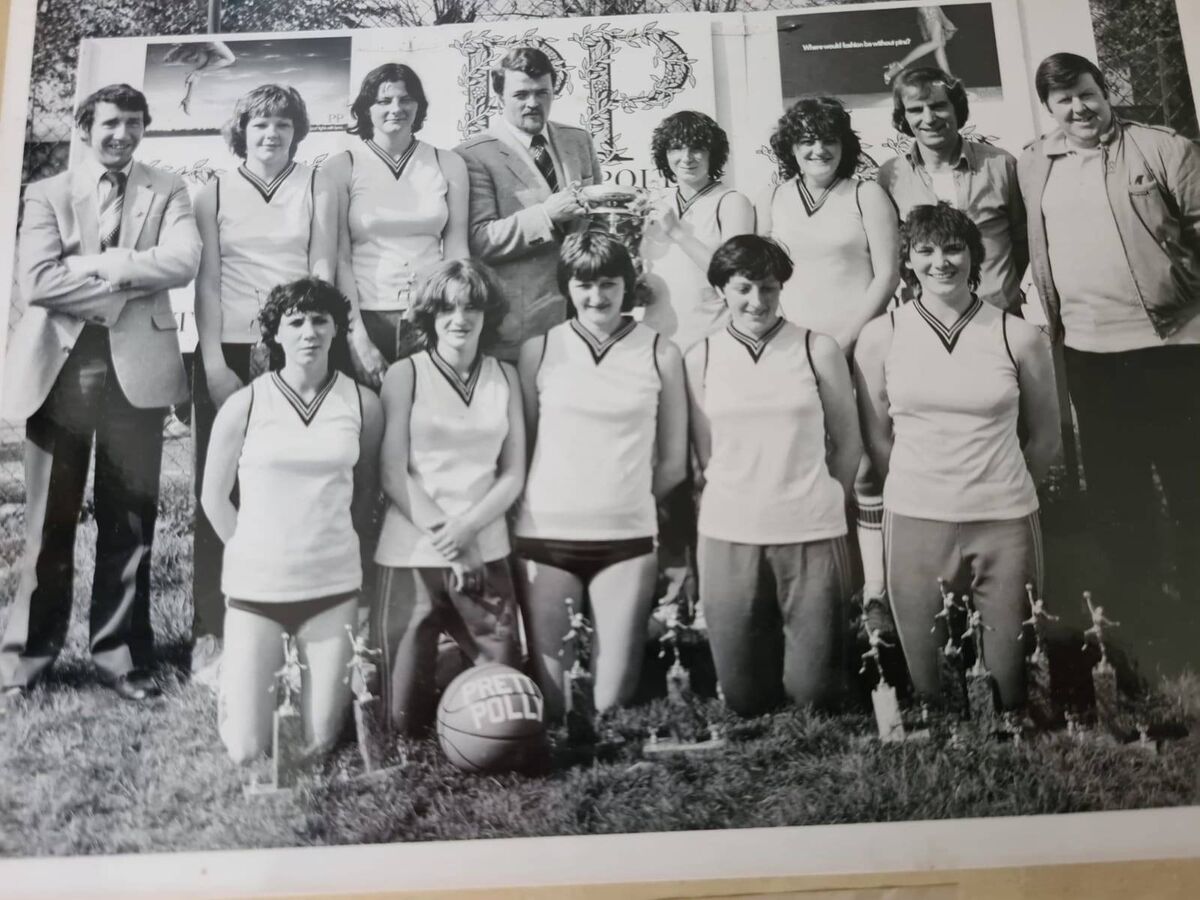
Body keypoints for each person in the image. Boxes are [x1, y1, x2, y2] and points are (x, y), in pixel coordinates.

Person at [0, 84, 201, 707]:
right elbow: (37, 280)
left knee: (130, 524)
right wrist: (119, 296)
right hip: (61, 375)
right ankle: (27, 659)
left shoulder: (168, 189)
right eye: (111, 123)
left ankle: (121, 656)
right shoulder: (47, 193)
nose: (122, 134)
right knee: (49, 526)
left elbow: (184, 261)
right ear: (85, 128)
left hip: (137, 377)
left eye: (134, 123)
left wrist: (100, 264)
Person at [1018, 52, 1200, 638]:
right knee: (1118, 489)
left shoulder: (1162, 148)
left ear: (1105, 91)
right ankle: (1149, 620)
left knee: (1188, 478)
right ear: (1049, 108)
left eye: (1087, 94)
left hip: (1172, 344)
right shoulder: (1033, 163)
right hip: (1089, 354)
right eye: (1064, 100)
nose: (1080, 108)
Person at [853, 204, 1060, 708]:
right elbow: (878, 437)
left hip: (1004, 519)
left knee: (1010, 696)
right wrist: (912, 484)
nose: (940, 262)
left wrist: (1000, 485)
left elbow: (1046, 438)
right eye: (924, 251)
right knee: (936, 695)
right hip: (918, 521)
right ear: (908, 259)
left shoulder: (1019, 335)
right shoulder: (883, 335)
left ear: (975, 256)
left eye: (953, 249)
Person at [201, 278, 383, 763]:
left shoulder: (363, 404)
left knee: (319, 743)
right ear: (275, 335)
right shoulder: (246, 403)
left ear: (337, 330)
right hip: (257, 592)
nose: (309, 332)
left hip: (331, 588)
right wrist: (249, 552)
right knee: (246, 750)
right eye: (295, 322)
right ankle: (238, 672)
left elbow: (366, 493)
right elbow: (213, 498)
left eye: (320, 320)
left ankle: (305, 668)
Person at [189, 83, 336, 685]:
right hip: (227, 348)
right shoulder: (214, 190)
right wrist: (215, 365)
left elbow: (323, 265)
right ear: (241, 131)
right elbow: (206, 283)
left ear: (296, 131)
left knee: (291, 485)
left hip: (294, 345)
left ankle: (295, 623)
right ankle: (210, 630)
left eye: (282, 124)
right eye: (259, 125)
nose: (271, 134)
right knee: (219, 486)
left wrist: (311, 345)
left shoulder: (317, 183)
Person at [684, 236, 861, 715]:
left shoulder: (815, 348)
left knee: (815, 699)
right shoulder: (699, 356)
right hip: (730, 533)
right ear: (722, 289)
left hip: (809, 531)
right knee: (746, 702)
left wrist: (823, 502)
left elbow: (848, 444)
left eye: (768, 287)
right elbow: (705, 457)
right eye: (743, 288)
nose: (757, 301)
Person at [515, 233, 688, 718]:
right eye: (584, 284)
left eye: (609, 283)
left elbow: (674, 462)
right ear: (567, 287)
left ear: (627, 286)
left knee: (611, 706)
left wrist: (624, 501)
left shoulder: (661, 352)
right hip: (546, 539)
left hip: (627, 542)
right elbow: (524, 447)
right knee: (560, 706)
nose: (597, 297)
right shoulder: (539, 350)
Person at [762, 96, 899, 624]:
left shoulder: (866, 192)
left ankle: (878, 593)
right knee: (807, 465)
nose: (818, 149)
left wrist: (843, 340)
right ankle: (819, 590)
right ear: (790, 149)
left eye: (828, 139)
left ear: (844, 145)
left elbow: (885, 276)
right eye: (806, 141)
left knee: (866, 464)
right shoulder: (775, 196)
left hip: (859, 345)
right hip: (796, 349)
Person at [372, 260, 525, 735]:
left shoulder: (505, 375)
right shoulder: (405, 374)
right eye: (447, 309)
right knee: (401, 722)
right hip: (413, 552)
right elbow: (392, 474)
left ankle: (456, 675)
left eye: (471, 307)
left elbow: (514, 473)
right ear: (430, 316)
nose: (460, 319)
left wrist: (469, 532)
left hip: (486, 548)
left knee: (505, 704)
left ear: (487, 314)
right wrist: (451, 537)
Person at [324, 63, 470, 389]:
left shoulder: (448, 163)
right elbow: (340, 259)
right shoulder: (342, 166)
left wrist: (455, 315)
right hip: (366, 315)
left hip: (431, 315)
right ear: (366, 109)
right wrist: (356, 336)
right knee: (370, 426)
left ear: (418, 105)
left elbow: (458, 250)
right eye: (384, 101)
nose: (396, 109)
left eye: (406, 100)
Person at [457, 47, 603, 363]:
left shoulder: (578, 141)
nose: (533, 103)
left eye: (542, 93)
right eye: (520, 94)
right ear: (499, 96)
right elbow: (479, 241)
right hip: (519, 323)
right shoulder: (474, 155)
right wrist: (547, 215)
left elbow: (600, 222)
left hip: (586, 315)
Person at [878, 67, 1027, 313]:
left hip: (998, 318)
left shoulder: (1001, 165)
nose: (929, 118)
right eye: (916, 110)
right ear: (904, 117)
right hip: (927, 322)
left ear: (956, 107)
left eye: (937, 106)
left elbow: (1022, 243)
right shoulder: (890, 176)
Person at [641, 110, 755, 352]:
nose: (687, 157)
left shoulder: (732, 202)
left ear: (712, 154)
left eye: (697, 148)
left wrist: (678, 234)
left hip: (711, 341)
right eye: (676, 148)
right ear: (665, 154)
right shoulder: (655, 202)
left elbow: (736, 277)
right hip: (655, 341)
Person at [883, 6, 957, 84]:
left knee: (938, 43)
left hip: (932, 7)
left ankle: (948, 78)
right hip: (929, 6)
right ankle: (896, 68)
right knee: (937, 42)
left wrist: (943, 18)